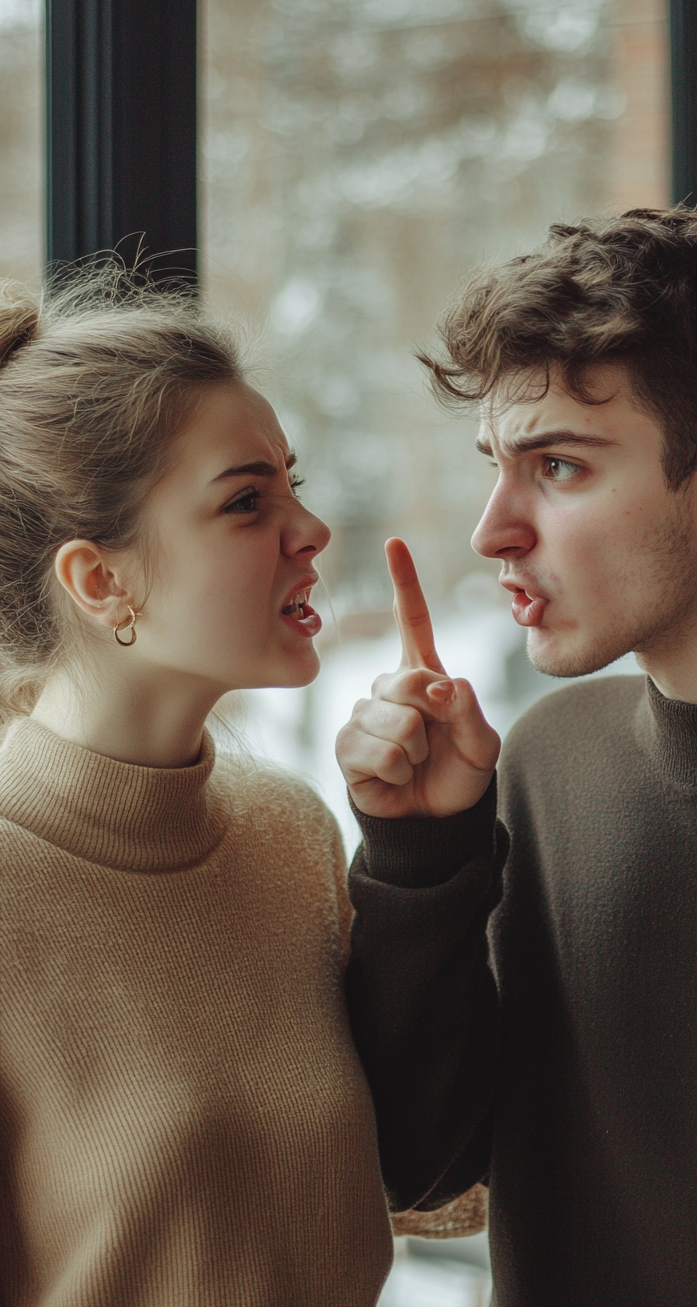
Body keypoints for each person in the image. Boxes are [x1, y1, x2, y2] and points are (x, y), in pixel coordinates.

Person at [336, 206, 697, 1307]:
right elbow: (419, 1166)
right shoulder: (547, 764)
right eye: (495, 466)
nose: (492, 529)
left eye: (557, 466)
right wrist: (419, 856)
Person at [0, 266, 395, 1306]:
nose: (310, 532)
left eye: (291, 482)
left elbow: (424, 1181)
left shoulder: (289, 831)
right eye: (247, 501)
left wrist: (427, 854)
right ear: (99, 580)